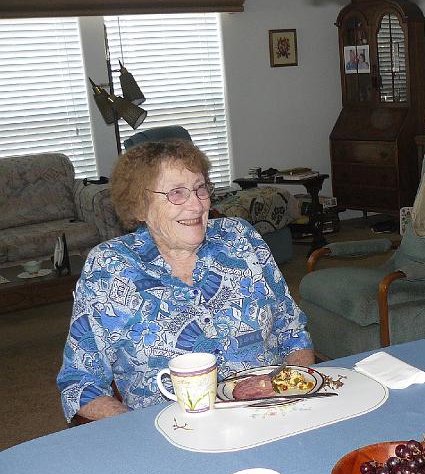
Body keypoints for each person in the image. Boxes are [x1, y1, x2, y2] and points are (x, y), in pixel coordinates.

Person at [57, 140, 313, 422]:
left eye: (200, 188)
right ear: (140, 206)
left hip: (271, 414)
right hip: (175, 433)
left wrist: (289, 390)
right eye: (176, 193)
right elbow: (80, 383)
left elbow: (293, 332)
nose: (196, 204)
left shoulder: (240, 238)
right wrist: (142, 432)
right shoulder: (109, 268)